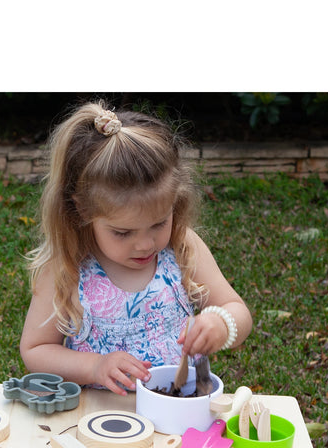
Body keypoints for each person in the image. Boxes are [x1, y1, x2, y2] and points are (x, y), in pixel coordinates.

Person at [20, 102, 252, 396]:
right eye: (122, 232)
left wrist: (221, 323)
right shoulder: (68, 265)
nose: (145, 244)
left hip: (179, 409)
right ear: (82, 210)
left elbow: (238, 311)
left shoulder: (183, 247)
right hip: (98, 418)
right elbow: (35, 350)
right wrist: (94, 367)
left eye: (158, 224)